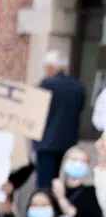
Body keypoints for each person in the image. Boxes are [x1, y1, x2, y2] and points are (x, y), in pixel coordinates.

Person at [33, 51, 87, 189]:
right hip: (69, 143)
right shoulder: (78, 87)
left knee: (45, 186)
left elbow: (35, 111)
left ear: (52, 68)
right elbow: (80, 109)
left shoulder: (45, 85)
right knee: (66, 184)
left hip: (46, 143)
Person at [49, 144, 102, 217]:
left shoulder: (91, 192)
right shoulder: (54, 190)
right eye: (74, 160)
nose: (77, 164)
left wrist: (61, 198)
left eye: (82, 161)